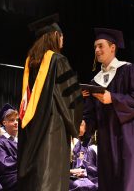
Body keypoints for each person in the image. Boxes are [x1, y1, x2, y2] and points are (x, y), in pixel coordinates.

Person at [17, 13, 83, 191]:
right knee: (50, 178)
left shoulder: (30, 63)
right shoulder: (58, 60)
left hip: (31, 129)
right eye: (62, 37)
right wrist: (78, 122)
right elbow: (69, 97)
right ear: (55, 36)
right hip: (53, 129)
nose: (63, 41)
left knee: (35, 178)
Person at [82, 28, 134, 191]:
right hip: (106, 142)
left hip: (127, 139)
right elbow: (91, 115)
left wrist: (113, 98)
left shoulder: (129, 70)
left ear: (112, 47)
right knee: (109, 183)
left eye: (100, 46)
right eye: (95, 47)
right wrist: (84, 126)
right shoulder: (95, 81)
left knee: (128, 183)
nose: (97, 50)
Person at [0, 103, 18, 191]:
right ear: (4, 123)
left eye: (17, 120)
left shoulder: (21, 141)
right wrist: (24, 158)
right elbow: (4, 164)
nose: (16, 123)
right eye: (12, 120)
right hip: (8, 179)